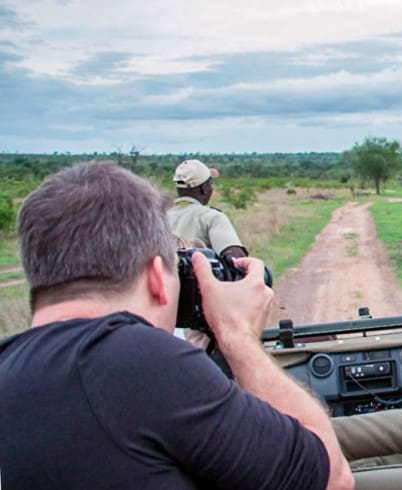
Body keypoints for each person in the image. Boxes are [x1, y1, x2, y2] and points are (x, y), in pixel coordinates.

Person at [0, 162, 354, 489]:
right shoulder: (145, 365)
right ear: (157, 276)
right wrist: (237, 335)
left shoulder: (11, 365)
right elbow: (332, 479)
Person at [169, 158, 247, 261]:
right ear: (204, 188)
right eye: (210, 184)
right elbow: (236, 259)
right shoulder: (211, 217)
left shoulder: (158, 216)